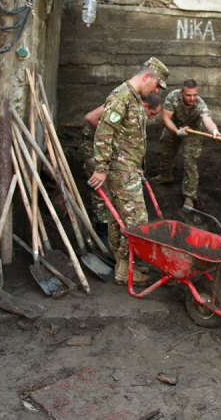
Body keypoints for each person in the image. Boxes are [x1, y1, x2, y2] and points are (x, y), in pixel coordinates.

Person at [89, 57, 169, 285]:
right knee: (137, 221)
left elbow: (127, 137)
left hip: (128, 169)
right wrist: (102, 167)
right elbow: (104, 130)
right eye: (156, 85)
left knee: (119, 221)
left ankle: (123, 267)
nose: (155, 90)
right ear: (147, 77)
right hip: (120, 171)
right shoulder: (122, 96)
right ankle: (125, 270)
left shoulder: (134, 98)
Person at [81, 93, 163, 248]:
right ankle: (102, 229)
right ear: (145, 106)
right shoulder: (122, 104)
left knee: (114, 186)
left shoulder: (138, 114)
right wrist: (110, 136)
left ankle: (115, 226)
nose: (151, 118)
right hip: (94, 148)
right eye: (152, 114)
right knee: (101, 188)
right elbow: (90, 117)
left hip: (112, 150)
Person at [151, 80, 221, 210]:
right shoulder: (173, 97)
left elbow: (208, 121)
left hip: (193, 131)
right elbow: (166, 118)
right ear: (181, 92)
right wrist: (177, 131)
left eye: (195, 94)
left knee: (190, 161)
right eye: (189, 95)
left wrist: (214, 131)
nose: (192, 98)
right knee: (166, 148)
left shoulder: (200, 104)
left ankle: (189, 195)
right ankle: (166, 175)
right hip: (174, 127)